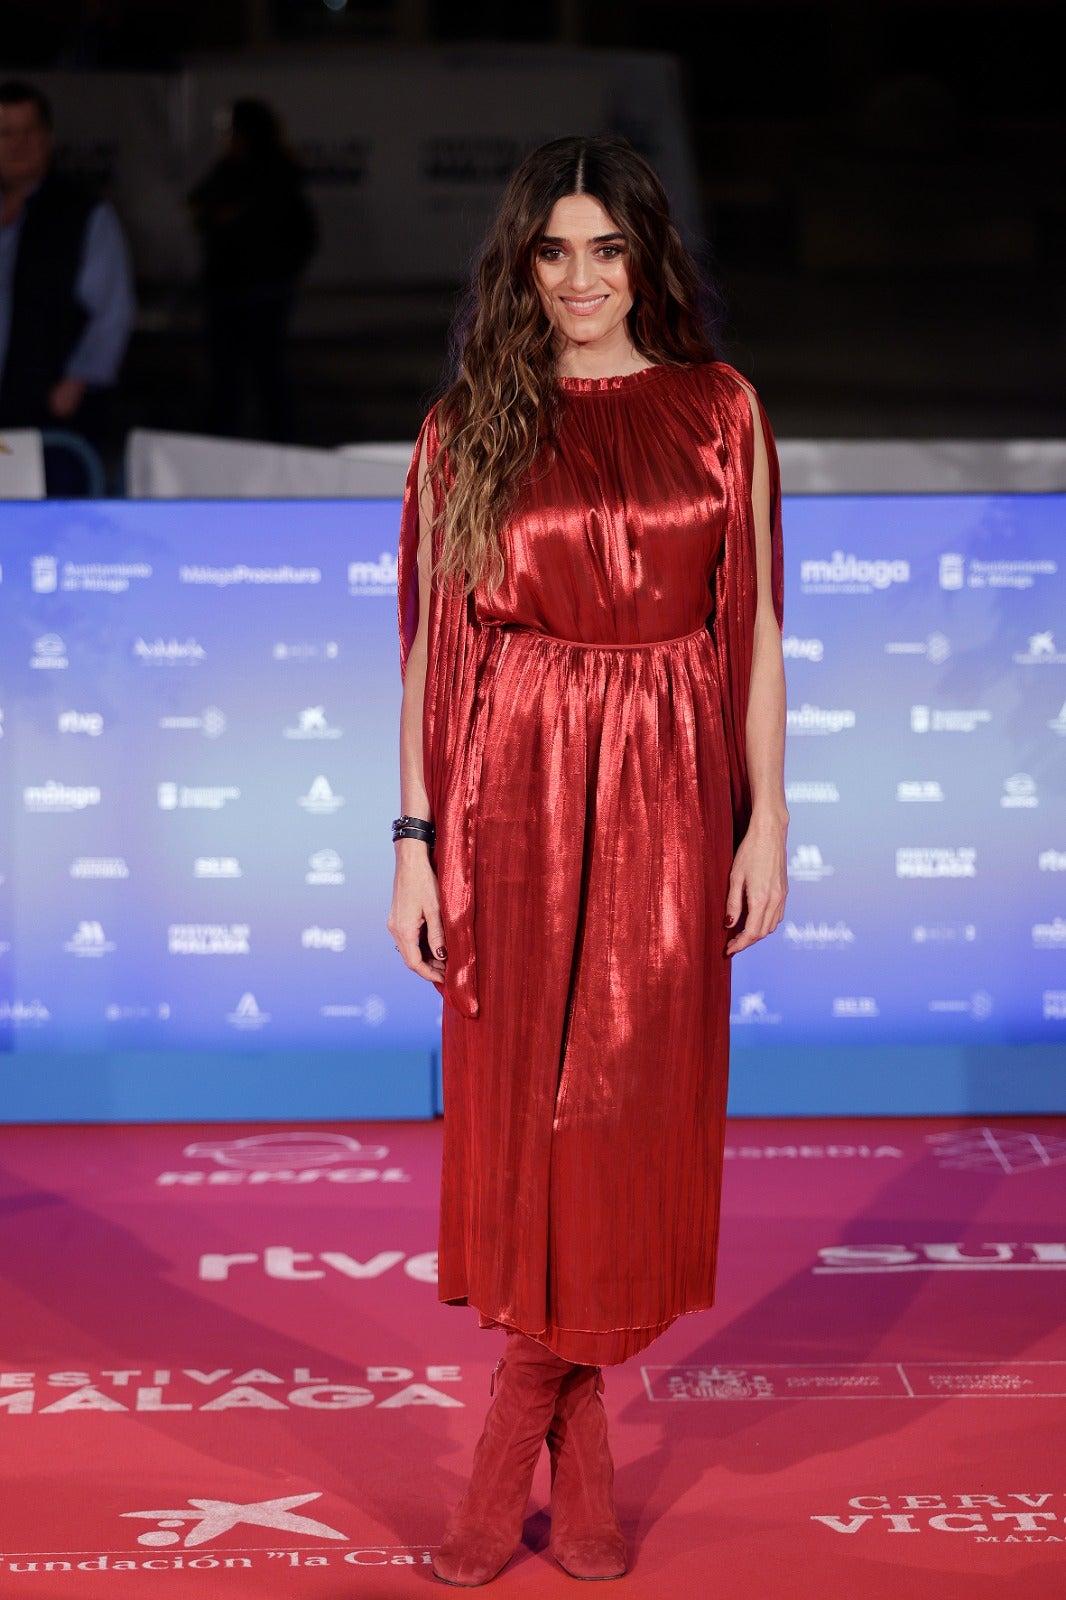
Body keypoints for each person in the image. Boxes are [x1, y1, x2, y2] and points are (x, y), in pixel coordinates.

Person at [388, 134, 787, 1587]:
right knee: (525, 1134)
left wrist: (770, 816)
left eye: (602, 250)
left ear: (644, 258)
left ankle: (516, 1426)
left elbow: (754, 631)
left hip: (673, 790)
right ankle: (577, 1459)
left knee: (622, 1124)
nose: (576, 281)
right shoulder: (468, 423)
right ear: (521, 265)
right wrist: (415, 841)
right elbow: (434, 650)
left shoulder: (718, 409)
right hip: (513, 792)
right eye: (551, 252)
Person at [0, 80, 136, 482]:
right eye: (6, 133)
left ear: (48, 138)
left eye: (29, 132)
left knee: (49, 533)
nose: (18, 144)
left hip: (50, 414)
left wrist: (78, 379)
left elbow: (112, 309)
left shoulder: (83, 214)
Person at [188, 98, 317, 442]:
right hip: (225, 293)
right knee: (224, 377)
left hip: (264, 293)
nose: (227, 138)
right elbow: (199, 207)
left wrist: (277, 272)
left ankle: (282, 445)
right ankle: (217, 446)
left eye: (232, 131)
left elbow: (300, 237)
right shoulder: (225, 172)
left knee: (267, 374)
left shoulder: (279, 175)